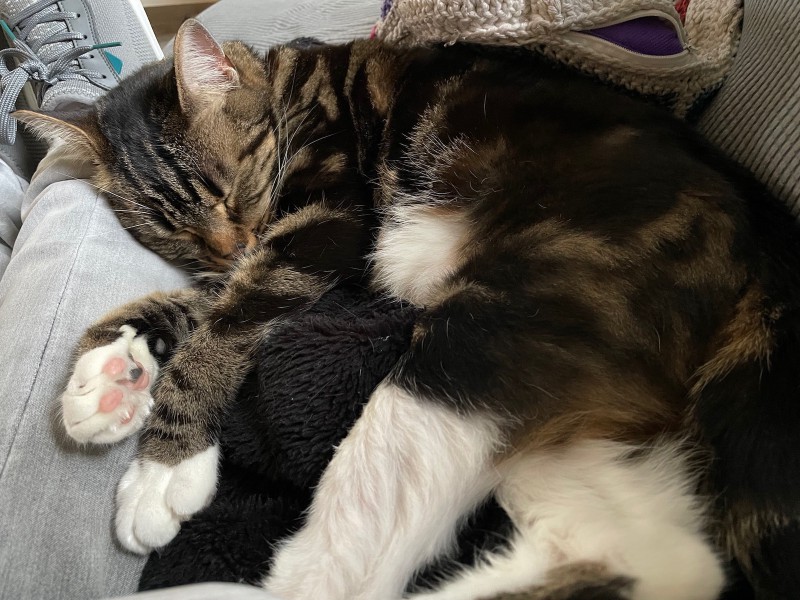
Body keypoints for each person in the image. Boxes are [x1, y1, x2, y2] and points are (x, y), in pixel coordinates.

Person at [0, 0, 797, 599]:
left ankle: (323, 583)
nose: (230, 244)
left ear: (230, 78)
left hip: (581, 200)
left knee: (446, 379)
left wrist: (186, 403)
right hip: (570, 278)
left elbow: (317, 243)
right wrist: (159, 322)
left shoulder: (309, 96)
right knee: (570, 501)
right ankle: (616, 561)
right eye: (189, 240)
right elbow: (275, 281)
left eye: (236, 197)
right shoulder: (251, 179)